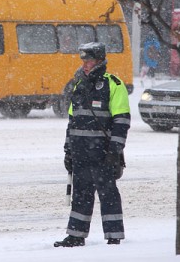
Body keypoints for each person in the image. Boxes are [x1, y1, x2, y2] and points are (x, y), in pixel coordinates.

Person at [54, 42, 131, 247]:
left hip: (102, 153)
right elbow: (72, 122)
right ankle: (76, 235)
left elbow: (121, 121)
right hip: (80, 153)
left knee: (108, 195)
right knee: (80, 195)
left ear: (99, 61)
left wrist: (115, 151)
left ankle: (114, 236)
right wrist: (68, 151)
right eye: (83, 60)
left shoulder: (113, 84)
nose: (85, 64)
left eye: (88, 60)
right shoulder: (79, 85)